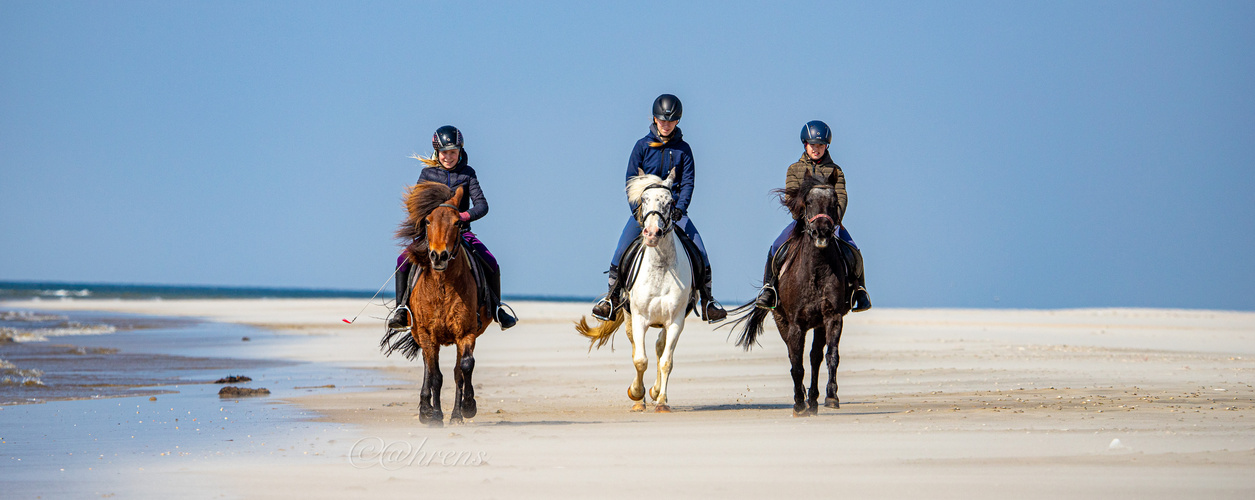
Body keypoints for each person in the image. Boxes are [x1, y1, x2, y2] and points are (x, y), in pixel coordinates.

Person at [591, 94, 727, 322]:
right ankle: (611, 299)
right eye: (662, 120)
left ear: (677, 121)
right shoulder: (641, 146)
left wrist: (680, 209)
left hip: (674, 212)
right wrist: (638, 212)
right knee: (620, 251)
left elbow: (688, 183)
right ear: (654, 119)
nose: (666, 124)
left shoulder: (684, 150)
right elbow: (631, 182)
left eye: (670, 121)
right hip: (644, 213)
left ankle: (707, 302)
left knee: (701, 252)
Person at [387, 125, 516, 331]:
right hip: (432, 235)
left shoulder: (468, 174)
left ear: (460, 152)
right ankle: (402, 310)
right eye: (444, 153)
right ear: (438, 153)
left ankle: (498, 308)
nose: (448, 157)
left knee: (491, 261)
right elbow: (415, 204)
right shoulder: (427, 174)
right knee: (402, 259)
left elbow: (482, 205)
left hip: (460, 233)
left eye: (453, 152)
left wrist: (463, 216)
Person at [753, 120, 871, 312]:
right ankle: (769, 289)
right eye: (812, 145)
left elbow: (841, 196)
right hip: (803, 223)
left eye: (820, 145)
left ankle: (860, 292)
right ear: (805, 144)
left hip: (831, 223)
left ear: (826, 146)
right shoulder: (794, 169)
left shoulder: (836, 170)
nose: (816, 149)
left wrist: (833, 219)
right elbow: (791, 197)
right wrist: (806, 217)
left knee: (854, 250)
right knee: (776, 247)